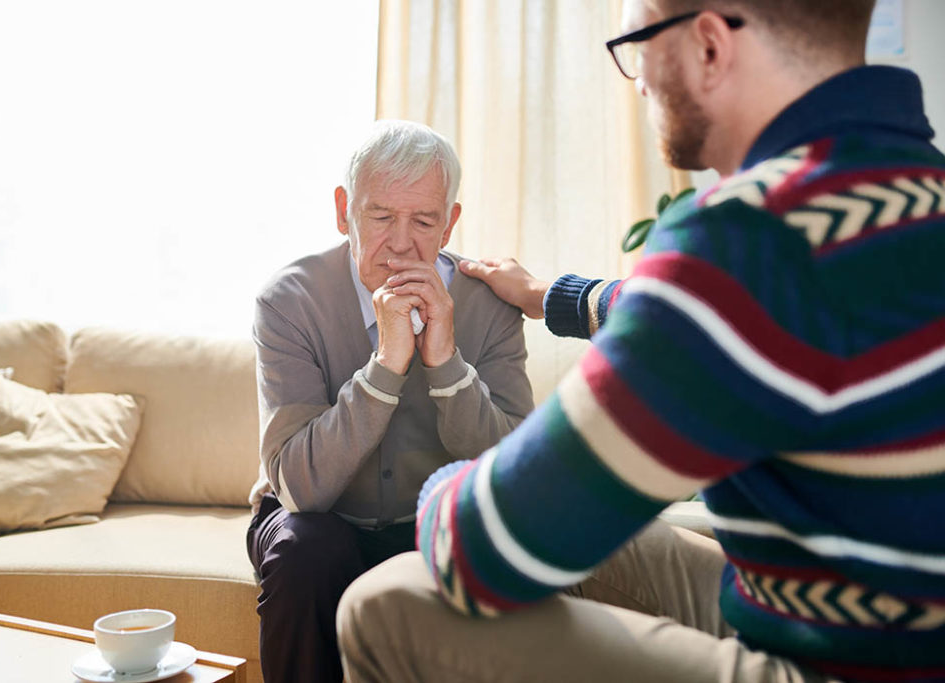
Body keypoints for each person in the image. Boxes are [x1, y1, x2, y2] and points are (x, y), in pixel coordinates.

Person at [336, 1, 945, 682]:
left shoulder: (752, 238)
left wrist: (443, 485)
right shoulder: (904, 193)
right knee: (628, 542)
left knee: (384, 602)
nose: (640, 80)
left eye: (637, 43)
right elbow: (747, 308)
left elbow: (485, 549)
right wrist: (548, 295)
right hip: (878, 618)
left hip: (846, 665)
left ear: (710, 46)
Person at [245, 119, 535, 683]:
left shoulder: (491, 304)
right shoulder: (287, 302)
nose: (401, 243)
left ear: (450, 223)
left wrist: (445, 362)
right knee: (308, 549)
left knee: (492, 551)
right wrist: (386, 367)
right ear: (342, 211)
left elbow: (514, 473)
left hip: (433, 522)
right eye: (379, 217)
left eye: (423, 221)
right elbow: (300, 489)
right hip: (317, 521)